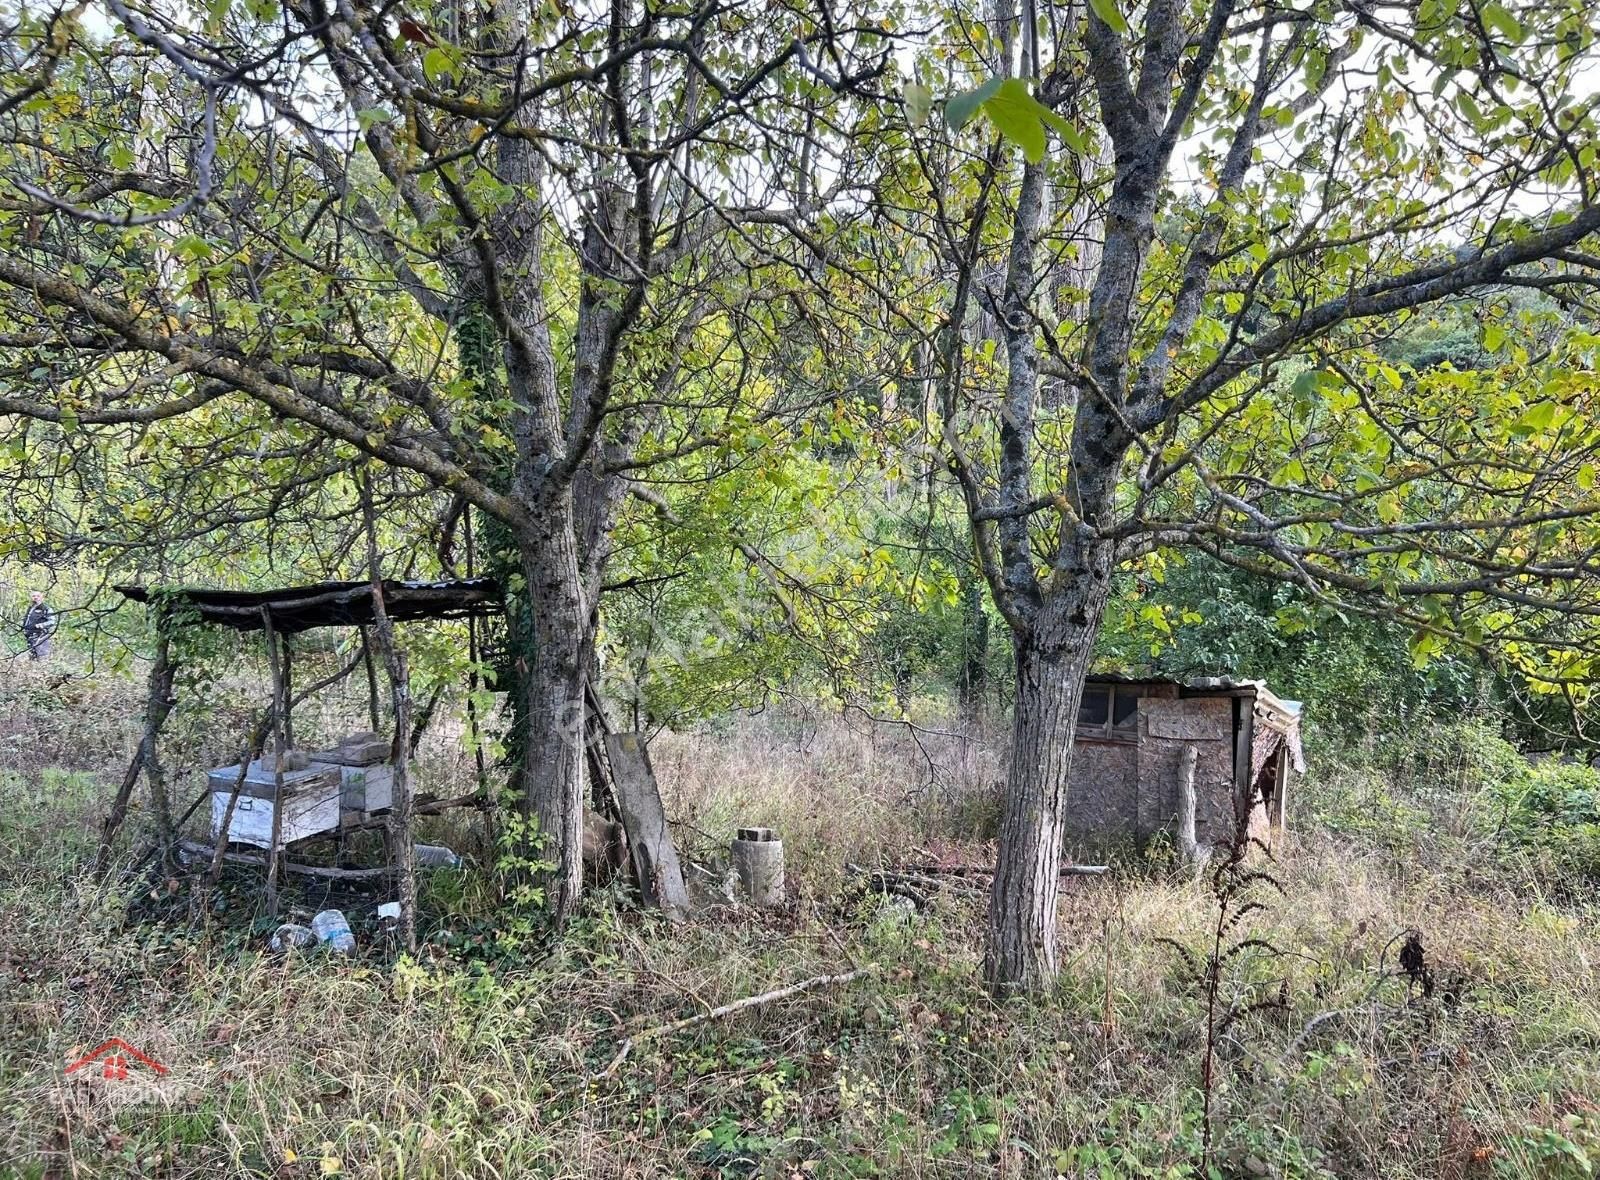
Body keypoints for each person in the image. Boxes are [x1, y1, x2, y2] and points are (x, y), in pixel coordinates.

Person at [22, 591, 55, 660]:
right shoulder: (30, 608)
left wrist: (41, 625)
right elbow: (27, 620)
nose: (35, 598)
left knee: (42, 655)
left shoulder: (46, 609)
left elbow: (52, 621)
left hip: (40, 635)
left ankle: (43, 669)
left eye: (38, 596)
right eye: (33, 596)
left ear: (42, 598)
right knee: (32, 655)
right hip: (29, 634)